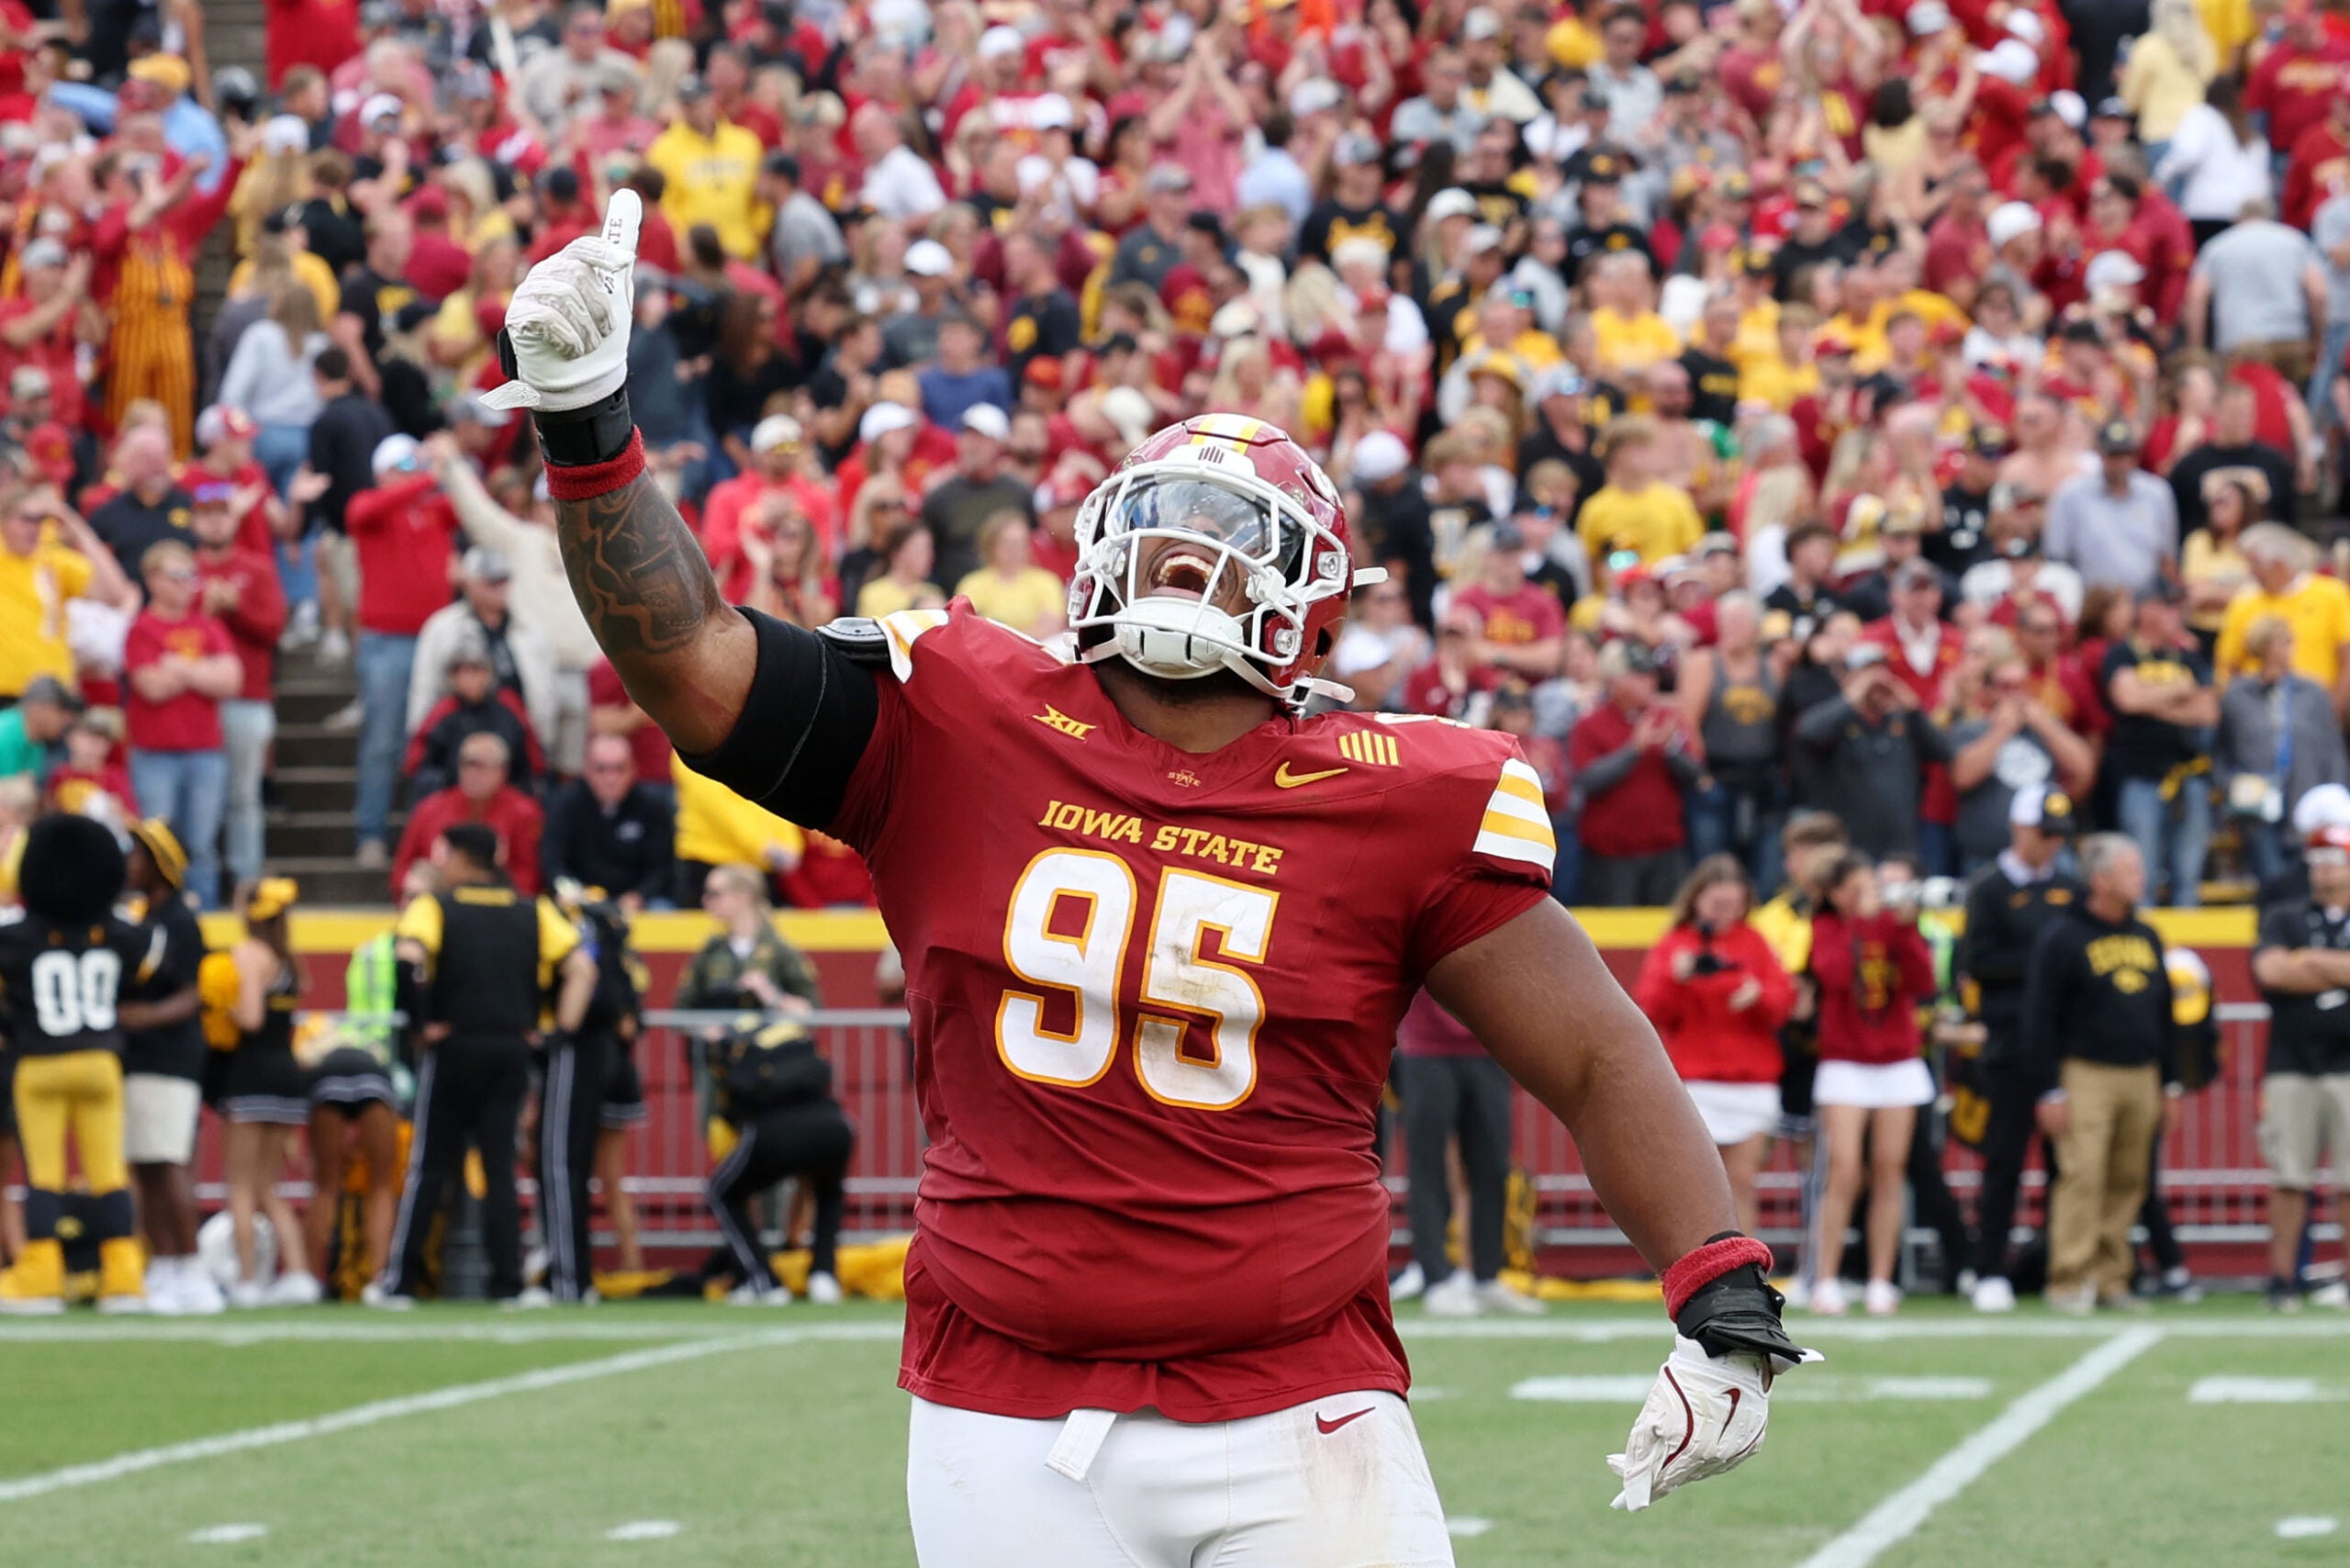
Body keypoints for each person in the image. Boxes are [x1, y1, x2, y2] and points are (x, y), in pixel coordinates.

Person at [486, 197, 1807, 1548]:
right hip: (1004, 1399)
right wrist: (588, 424)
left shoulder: (1401, 793)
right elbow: (693, 664)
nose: (1193, 553)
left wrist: (1722, 1294)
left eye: (1235, 532)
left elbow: (1594, 1052)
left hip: (1304, 1397)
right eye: (1168, 521)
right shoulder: (955, 712)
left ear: (1317, 600)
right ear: (1098, 541)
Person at [375, 823, 596, 1307]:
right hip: (511, 1048)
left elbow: (409, 957)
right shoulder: (533, 909)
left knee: (429, 1167)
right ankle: (507, 1285)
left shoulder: (435, 907)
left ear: (457, 858)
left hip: (454, 1045)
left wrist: (420, 1022)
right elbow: (582, 968)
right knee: (500, 1169)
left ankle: (401, 1283)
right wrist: (557, 1032)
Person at [0, 816, 170, 1313]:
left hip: (39, 1063)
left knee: (45, 1176)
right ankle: (123, 1273)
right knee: (108, 1173)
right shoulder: (120, 932)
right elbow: (150, 967)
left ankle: (42, 1274)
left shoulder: (17, 935)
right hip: (100, 1058)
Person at [2022, 834, 2175, 1314]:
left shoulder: (2147, 935)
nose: (2141, 879)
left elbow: (2165, 1014)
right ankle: (2069, 1278)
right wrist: (2048, 1087)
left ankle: (2113, 1277)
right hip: (2084, 1072)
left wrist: (2170, 1082)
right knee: (2082, 1174)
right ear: (2101, 880)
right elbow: (2040, 1015)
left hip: (2142, 1073)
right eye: (2131, 871)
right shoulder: (2063, 935)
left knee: (2129, 1178)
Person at [1954, 785, 2086, 1313]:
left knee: (2065, 1163)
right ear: (2020, 830)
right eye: (2045, 833)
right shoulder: (1989, 889)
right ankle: (1988, 1267)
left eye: (2059, 835)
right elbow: (1977, 961)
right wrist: (2043, 967)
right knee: (2003, 1161)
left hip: (2057, 1045)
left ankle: (2056, 1261)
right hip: (2008, 1044)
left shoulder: (2068, 887)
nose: (2053, 845)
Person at [1805, 849, 1939, 1316]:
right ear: (1836, 893)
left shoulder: (1897, 924)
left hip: (1898, 1060)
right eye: (1856, 888)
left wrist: (1904, 927)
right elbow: (1834, 975)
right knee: (1844, 1170)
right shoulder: (1827, 928)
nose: (1867, 897)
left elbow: (1924, 981)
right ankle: (1826, 1278)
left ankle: (1883, 1279)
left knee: (1889, 1169)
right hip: (1845, 1061)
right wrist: (1861, 924)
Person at [1634, 858, 1795, 1238]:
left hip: (1749, 1080)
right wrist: (1678, 978)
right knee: (1693, 1186)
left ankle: (1746, 1271)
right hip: (1697, 1081)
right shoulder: (1676, 944)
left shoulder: (1754, 943)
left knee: (1741, 1180)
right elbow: (1651, 1008)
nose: (1724, 915)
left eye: (1732, 906)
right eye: (1716, 905)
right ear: (1697, 901)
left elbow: (1782, 1001)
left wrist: (1758, 995)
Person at [1387, 986, 1544, 1319]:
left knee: (1493, 1166)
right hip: (1426, 1049)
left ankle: (1485, 1277)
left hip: (1487, 1048)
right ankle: (1436, 1280)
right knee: (1427, 1167)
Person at [2249, 823, 2350, 1312]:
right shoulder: (2285, 916)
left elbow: (2292, 969)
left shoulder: (2300, 933)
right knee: (2290, 1178)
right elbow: (2270, 971)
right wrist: (2337, 967)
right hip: (2292, 1064)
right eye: (2317, 861)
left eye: (2333, 860)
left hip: (2347, 1066)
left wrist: (2309, 961)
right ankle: (2282, 1280)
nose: (2324, 870)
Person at [119, 819, 215, 1316]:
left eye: (138, 854)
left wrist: (147, 1015)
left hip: (169, 1054)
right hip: (139, 1056)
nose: (129, 863)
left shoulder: (179, 919)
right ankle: (164, 1264)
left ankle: (192, 1266)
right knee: (145, 1164)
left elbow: (196, 991)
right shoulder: (144, 918)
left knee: (167, 1160)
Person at [216, 877, 321, 1307]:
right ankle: (297, 1273)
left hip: (251, 1074)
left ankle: (245, 1280)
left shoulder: (248, 954)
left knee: (239, 1186)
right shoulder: (287, 958)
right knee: (268, 1186)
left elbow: (252, 1019)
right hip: (285, 1074)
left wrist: (220, 1005)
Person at [704, 1014, 857, 1305]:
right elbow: (823, 1072)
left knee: (721, 1191)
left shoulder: (737, 1044)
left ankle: (763, 1280)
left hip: (776, 1129)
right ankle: (823, 1275)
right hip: (835, 1125)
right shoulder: (795, 1035)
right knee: (828, 1190)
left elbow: (735, 1100)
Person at [123, 540, 241, 909]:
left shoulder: (208, 626)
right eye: (177, 576)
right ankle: (158, 913)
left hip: (206, 750)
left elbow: (232, 681)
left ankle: (202, 918)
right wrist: (202, 672)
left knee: (202, 845)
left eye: (191, 576)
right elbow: (150, 687)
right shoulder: (141, 628)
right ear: (153, 579)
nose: (186, 584)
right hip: (154, 753)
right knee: (157, 841)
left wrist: (179, 667)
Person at [2101, 586, 2218, 906]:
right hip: (2141, 776)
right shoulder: (2121, 654)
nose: (2178, 616)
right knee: (2142, 875)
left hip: (2188, 776)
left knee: (2188, 875)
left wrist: (2150, 700)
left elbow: (2207, 712)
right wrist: (2179, 690)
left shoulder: (2189, 657)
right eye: (2170, 608)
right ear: (2148, 611)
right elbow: (2127, 699)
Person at [2217, 617, 2350, 887]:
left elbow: (2333, 751)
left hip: (2307, 802)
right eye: (2284, 641)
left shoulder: (2313, 693)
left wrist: (2336, 801)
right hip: (2257, 807)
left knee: (2307, 881)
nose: (2291, 648)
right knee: (2272, 882)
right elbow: (2223, 751)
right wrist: (2230, 786)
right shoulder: (2237, 695)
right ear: (2265, 647)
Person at [1568, 641, 1698, 905]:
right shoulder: (1590, 724)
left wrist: (1670, 750)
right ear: (1614, 680)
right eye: (1639, 674)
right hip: (1611, 855)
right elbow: (1589, 781)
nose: (1650, 681)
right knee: (1616, 937)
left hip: (1665, 852)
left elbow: (1695, 776)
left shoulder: (1667, 718)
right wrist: (1634, 750)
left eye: (1651, 674)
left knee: (1663, 931)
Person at [392, 733, 547, 899]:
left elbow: (529, 875)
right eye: (466, 764)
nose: (472, 774)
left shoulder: (524, 813)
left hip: (496, 906)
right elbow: (402, 869)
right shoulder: (430, 809)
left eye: (481, 766)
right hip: (439, 903)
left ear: (502, 770)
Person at [543, 735, 677, 910]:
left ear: (633, 770)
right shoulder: (564, 804)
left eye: (619, 769)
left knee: (663, 910)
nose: (611, 778)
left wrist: (640, 895)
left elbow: (661, 867)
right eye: (601, 769)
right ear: (587, 770)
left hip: (637, 901)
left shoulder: (651, 807)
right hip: (580, 897)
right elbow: (553, 862)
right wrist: (572, 891)